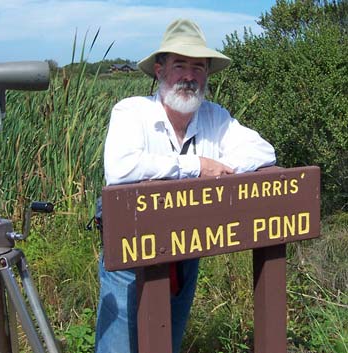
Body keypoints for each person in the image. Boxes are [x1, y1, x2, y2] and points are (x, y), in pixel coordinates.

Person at [95, 19, 276, 353]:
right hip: (131, 251)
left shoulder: (214, 117)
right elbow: (121, 168)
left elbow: (263, 150)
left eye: (198, 67)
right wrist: (197, 167)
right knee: (118, 346)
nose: (190, 76)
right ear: (160, 71)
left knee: (167, 340)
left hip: (185, 246)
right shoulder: (132, 112)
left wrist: (224, 169)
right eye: (180, 65)